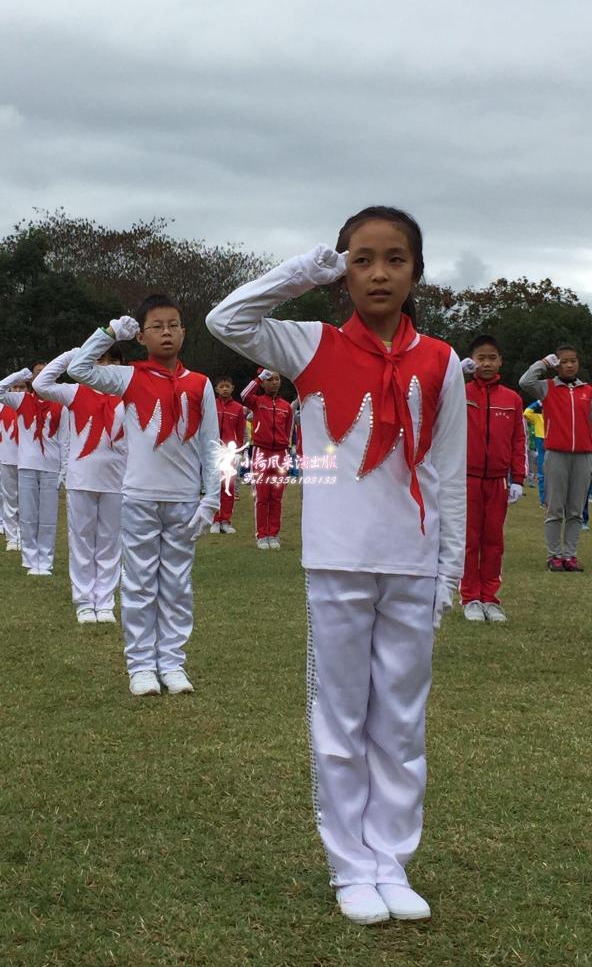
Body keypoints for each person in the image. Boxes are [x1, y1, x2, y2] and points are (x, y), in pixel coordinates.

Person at [207, 206, 466, 926]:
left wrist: (448, 570)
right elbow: (227, 321)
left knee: (402, 722)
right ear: (343, 269)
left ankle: (392, 858)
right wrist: (308, 267)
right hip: (339, 560)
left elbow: (446, 472)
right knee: (342, 717)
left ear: (417, 269)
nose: (378, 273)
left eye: (394, 259)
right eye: (361, 259)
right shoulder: (309, 345)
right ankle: (350, 866)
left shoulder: (442, 361)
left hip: (412, 561)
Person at [67, 295, 220, 697]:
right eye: (157, 326)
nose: (167, 332)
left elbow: (211, 444)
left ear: (184, 331)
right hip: (138, 497)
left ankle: (171, 662)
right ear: (142, 335)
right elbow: (78, 368)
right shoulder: (128, 377)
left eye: (174, 325)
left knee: (176, 584)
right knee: (138, 583)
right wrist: (110, 333)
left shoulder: (200, 384)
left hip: (185, 499)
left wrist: (212, 497)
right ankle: (140, 666)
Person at [33, 344, 126, 623]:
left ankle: (106, 601)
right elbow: (40, 383)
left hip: (117, 479)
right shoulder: (75, 392)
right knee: (83, 541)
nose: (106, 365)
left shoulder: (128, 396)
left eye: (112, 360)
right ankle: (85, 601)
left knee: (111, 543)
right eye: (100, 359)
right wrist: (71, 355)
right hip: (82, 477)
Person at [459, 337, 527, 622]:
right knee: (469, 540)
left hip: (498, 481)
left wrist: (518, 479)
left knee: (493, 541)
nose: (486, 363)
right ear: (472, 360)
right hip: (467, 479)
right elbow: (434, 403)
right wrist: (455, 375)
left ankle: (491, 598)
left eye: (492, 358)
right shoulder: (460, 394)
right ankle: (470, 598)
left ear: (500, 361)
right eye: (481, 358)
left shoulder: (511, 399)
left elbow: (518, 440)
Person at [0, 366, 66, 576]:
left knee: (47, 516)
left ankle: (45, 561)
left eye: (46, 371)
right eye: (37, 372)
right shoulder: (22, 400)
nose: (41, 375)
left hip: (51, 466)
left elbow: (65, 438)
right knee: (28, 514)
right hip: (26, 464)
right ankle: (30, 559)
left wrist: (64, 468)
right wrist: (17, 376)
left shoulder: (62, 403)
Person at [520, 345, 592, 571]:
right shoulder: (547, 388)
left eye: (573, 361)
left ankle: (570, 555)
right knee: (555, 509)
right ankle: (554, 556)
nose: (569, 365)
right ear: (556, 364)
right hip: (556, 454)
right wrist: (543, 363)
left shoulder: (587, 391)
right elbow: (525, 381)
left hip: (583, 455)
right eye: (564, 361)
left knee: (576, 509)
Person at [241, 369, 294, 549]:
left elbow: (288, 430)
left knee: (276, 497)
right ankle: (262, 535)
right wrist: (258, 378)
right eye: (269, 379)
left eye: (277, 379)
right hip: (261, 452)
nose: (274, 382)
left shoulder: (286, 407)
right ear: (264, 383)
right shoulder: (256, 402)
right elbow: (244, 395)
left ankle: (274, 534)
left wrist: (286, 449)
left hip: (281, 453)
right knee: (262, 496)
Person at [210, 375, 247, 534]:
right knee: (213, 486)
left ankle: (225, 520)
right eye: (221, 386)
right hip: (212, 451)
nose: (224, 389)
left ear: (232, 388)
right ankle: (214, 520)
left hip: (230, 453)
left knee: (228, 487)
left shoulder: (238, 408)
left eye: (227, 386)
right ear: (216, 388)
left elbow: (241, 431)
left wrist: (240, 451)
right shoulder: (211, 405)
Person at [523, 400, 545, 505]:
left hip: (553, 445)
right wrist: (538, 402)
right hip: (541, 445)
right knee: (542, 474)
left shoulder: (556, 417)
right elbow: (526, 413)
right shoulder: (537, 417)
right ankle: (543, 501)